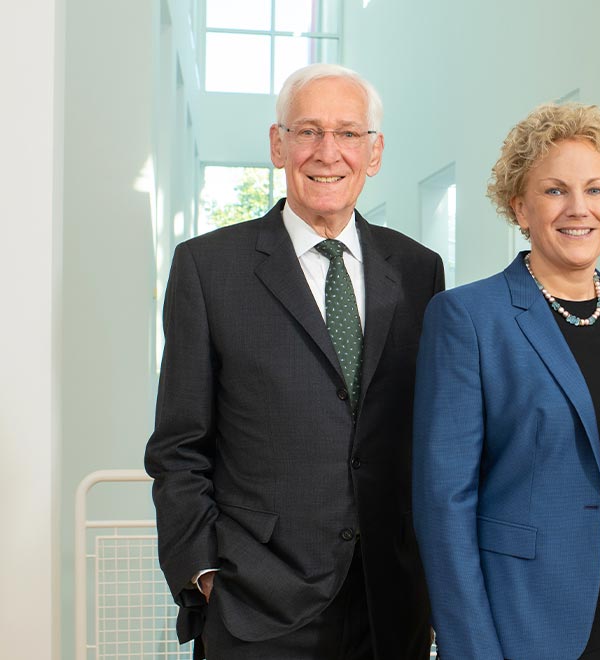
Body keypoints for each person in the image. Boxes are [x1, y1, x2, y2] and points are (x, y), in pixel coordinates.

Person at [144, 63, 442, 659]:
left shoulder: (418, 270)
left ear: (374, 152)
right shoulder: (209, 269)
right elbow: (179, 446)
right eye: (308, 131)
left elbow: (425, 433)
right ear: (278, 144)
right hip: (257, 607)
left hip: (390, 605)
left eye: (349, 134)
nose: (328, 152)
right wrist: (204, 575)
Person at [412, 103, 600, 660]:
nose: (579, 209)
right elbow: (444, 505)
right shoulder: (468, 316)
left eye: (596, 190)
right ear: (520, 207)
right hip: (528, 630)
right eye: (556, 191)